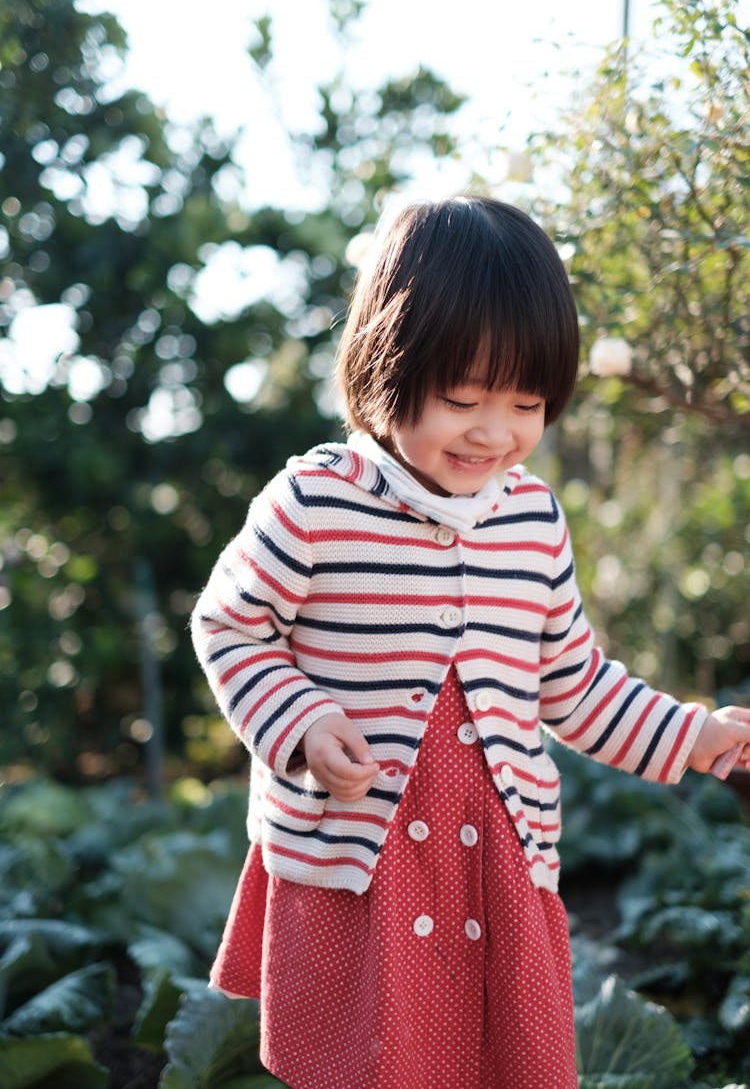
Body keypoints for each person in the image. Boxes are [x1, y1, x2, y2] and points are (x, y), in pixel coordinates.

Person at [191, 195, 750, 1089]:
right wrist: (298, 720)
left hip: (494, 857)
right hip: (365, 863)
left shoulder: (531, 518)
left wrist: (691, 734)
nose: (496, 432)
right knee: (368, 1067)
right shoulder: (314, 501)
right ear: (385, 365)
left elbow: (571, 682)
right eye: (462, 399)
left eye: (528, 403)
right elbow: (228, 624)